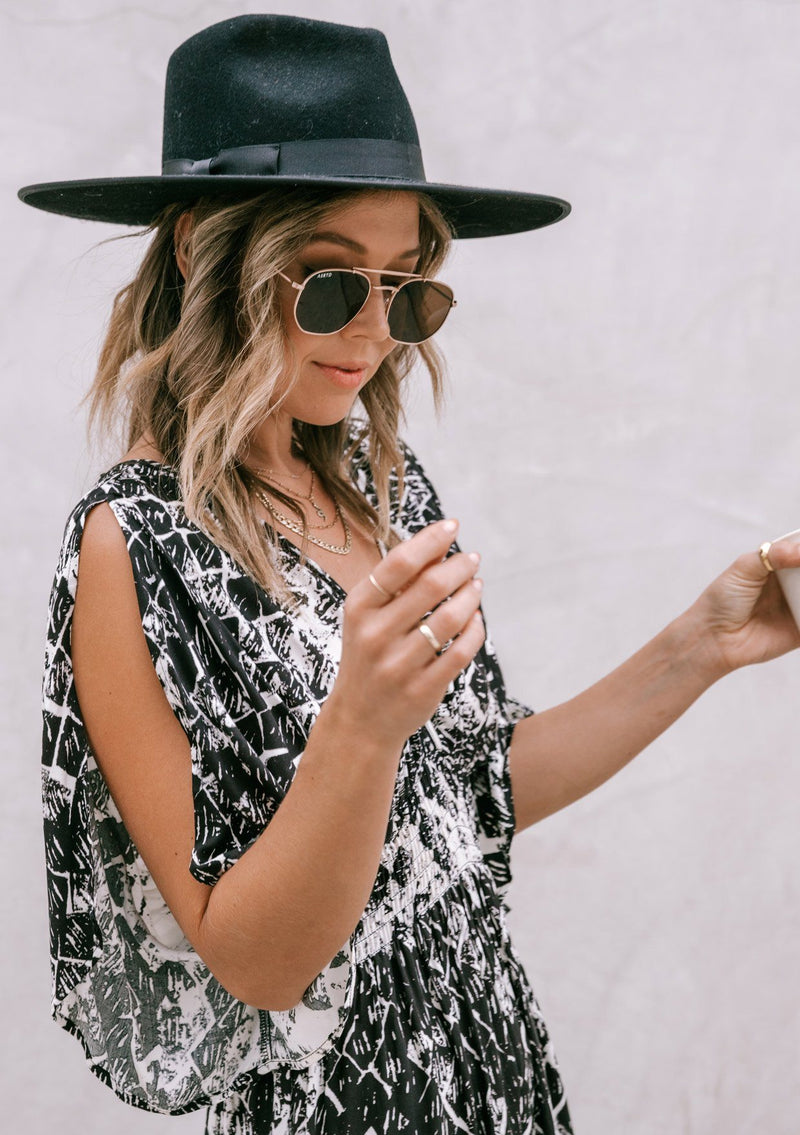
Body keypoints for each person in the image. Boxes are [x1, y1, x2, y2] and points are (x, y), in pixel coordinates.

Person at [21, 13, 800, 1135]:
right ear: (202, 250)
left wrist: (704, 644)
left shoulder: (380, 492)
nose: (376, 333)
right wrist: (361, 724)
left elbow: (468, 799)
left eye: (405, 288)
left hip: (494, 1080)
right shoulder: (130, 544)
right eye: (332, 285)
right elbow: (253, 963)